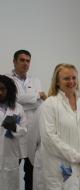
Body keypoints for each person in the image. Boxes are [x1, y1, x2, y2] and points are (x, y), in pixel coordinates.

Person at [39, 64, 80, 190]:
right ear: (57, 82)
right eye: (66, 78)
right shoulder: (50, 104)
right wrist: (77, 157)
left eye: (74, 78)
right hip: (60, 169)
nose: (71, 81)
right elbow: (49, 138)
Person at [7, 49, 47, 190]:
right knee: (11, 171)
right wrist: (37, 95)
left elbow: (40, 104)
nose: (25, 63)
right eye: (22, 60)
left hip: (32, 133)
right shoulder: (8, 80)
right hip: (15, 133)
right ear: (14, 61)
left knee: (31, 173)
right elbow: (14, 99)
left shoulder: (35, 80)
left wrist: (32, 100)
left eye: (28, 61)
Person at [0, 75, 27, 190]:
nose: (0, 92)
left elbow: (24, 129)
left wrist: (14, 127)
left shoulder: (18, 108)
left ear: (9, 89)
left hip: (10, 155)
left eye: (2, 89)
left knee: (9, 185)